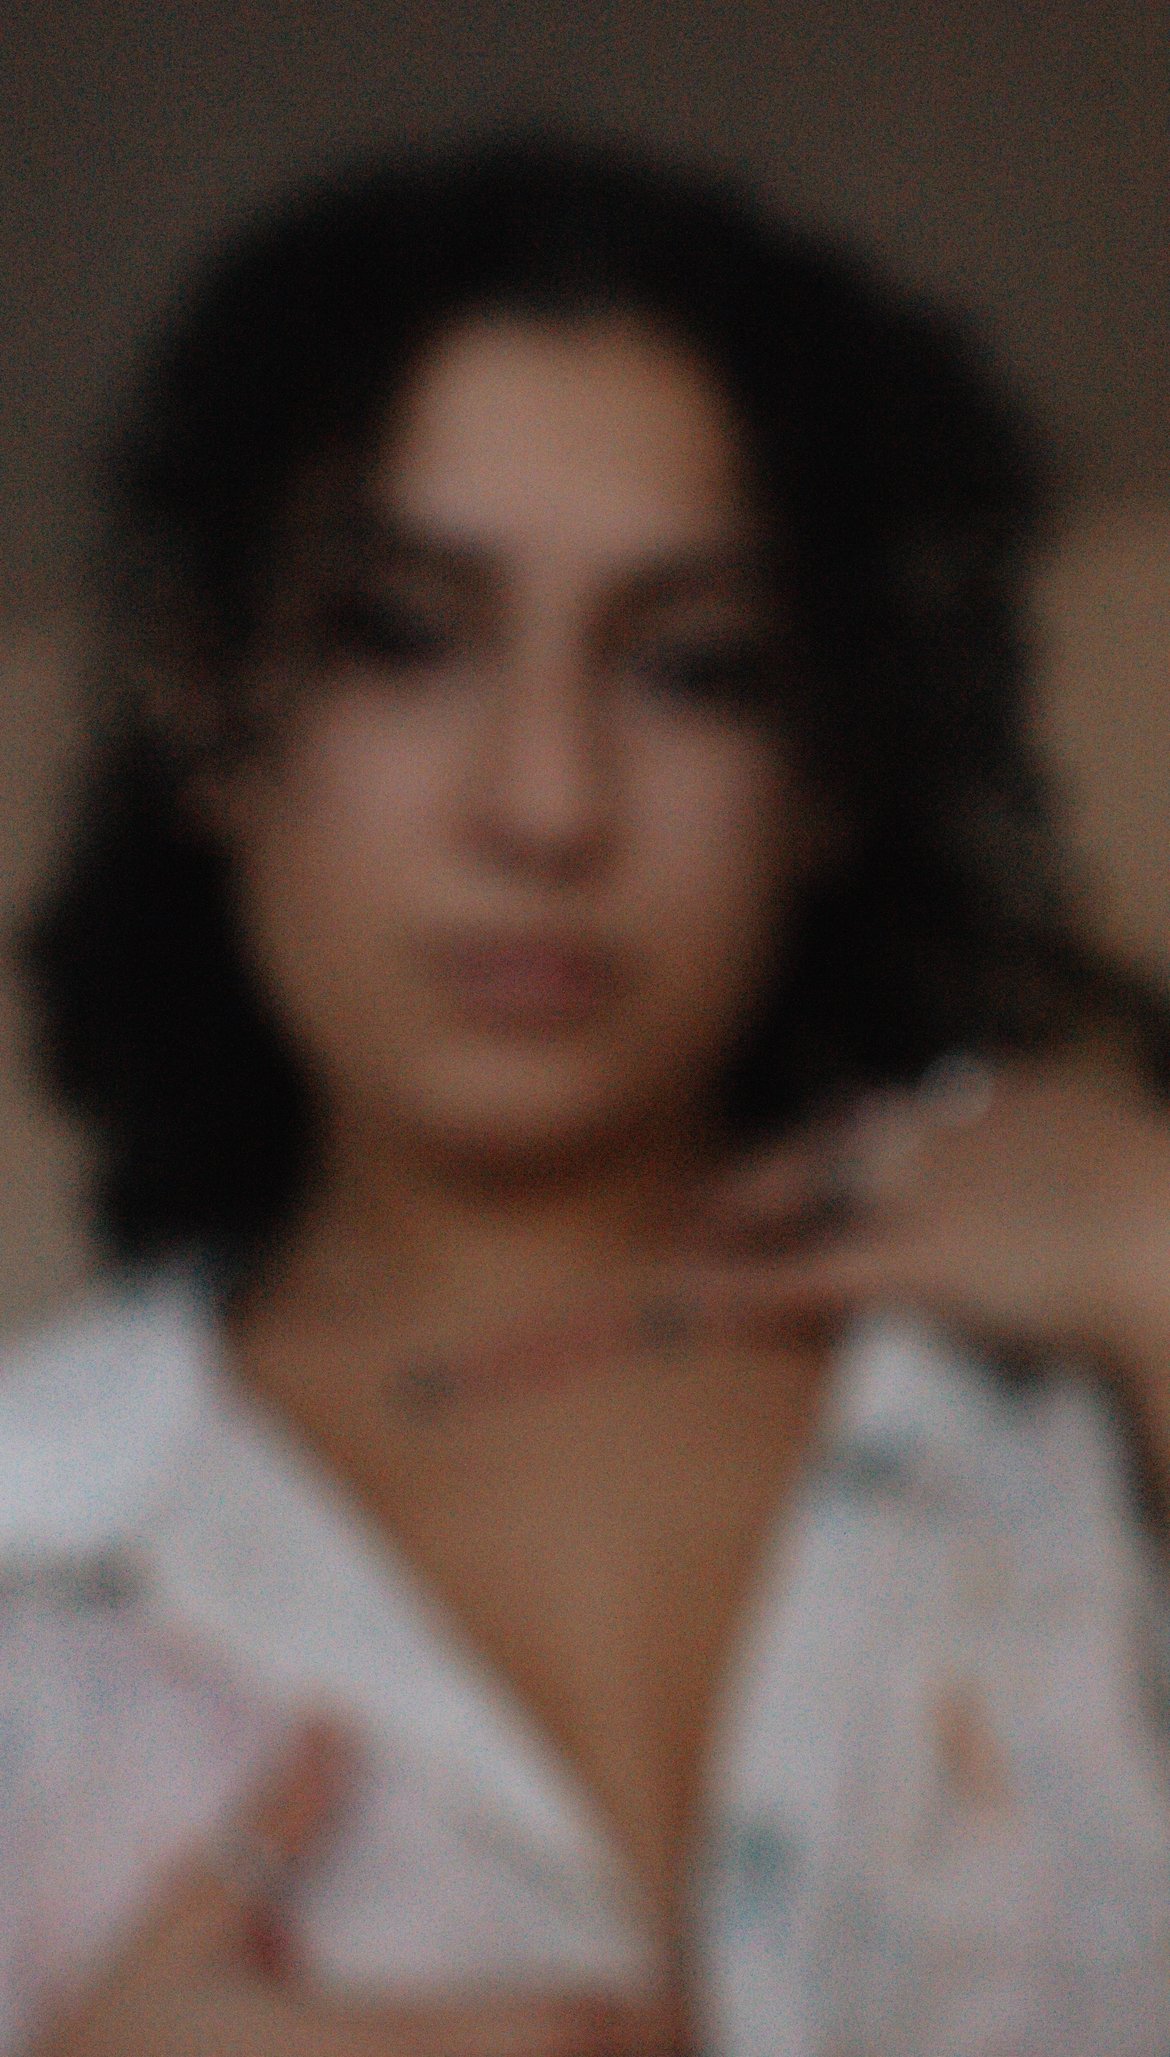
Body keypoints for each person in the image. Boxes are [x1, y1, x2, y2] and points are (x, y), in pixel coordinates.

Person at [4, 134, 1170, 2057]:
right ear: (209, 707)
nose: (544, 802)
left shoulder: (1077, 1411)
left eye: (695, 668)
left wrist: (1151, 1247)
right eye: (402, 634)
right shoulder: (34, 1542)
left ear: (826, 767)